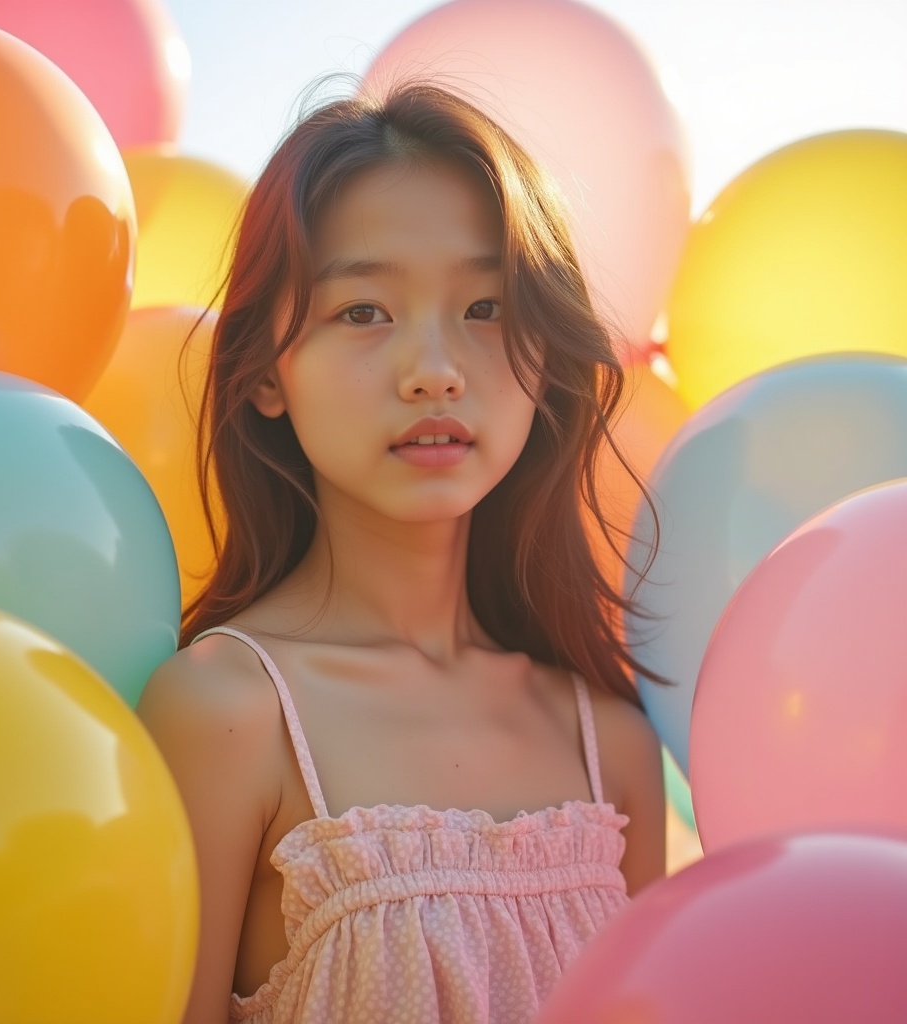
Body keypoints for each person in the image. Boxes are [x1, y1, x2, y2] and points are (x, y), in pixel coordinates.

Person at [138, 81, 666, 1024]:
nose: (436, 370)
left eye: (487, 308)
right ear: (265, 371)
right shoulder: (226, 715)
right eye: (365, 312)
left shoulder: (609, 741)